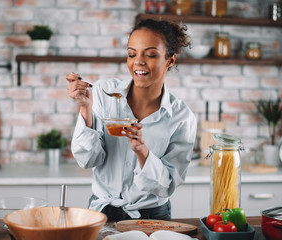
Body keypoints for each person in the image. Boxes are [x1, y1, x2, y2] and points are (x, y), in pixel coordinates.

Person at [66, 19, 197, 222]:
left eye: (151, 54)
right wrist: (85, 108)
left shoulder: (181, 117)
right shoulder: (103, 93)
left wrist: (142, 152)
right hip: (102, 213)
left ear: (170, 60)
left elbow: (168, 185)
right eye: (132, 54)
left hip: (152, 217)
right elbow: (87, 160)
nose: (138, 62)